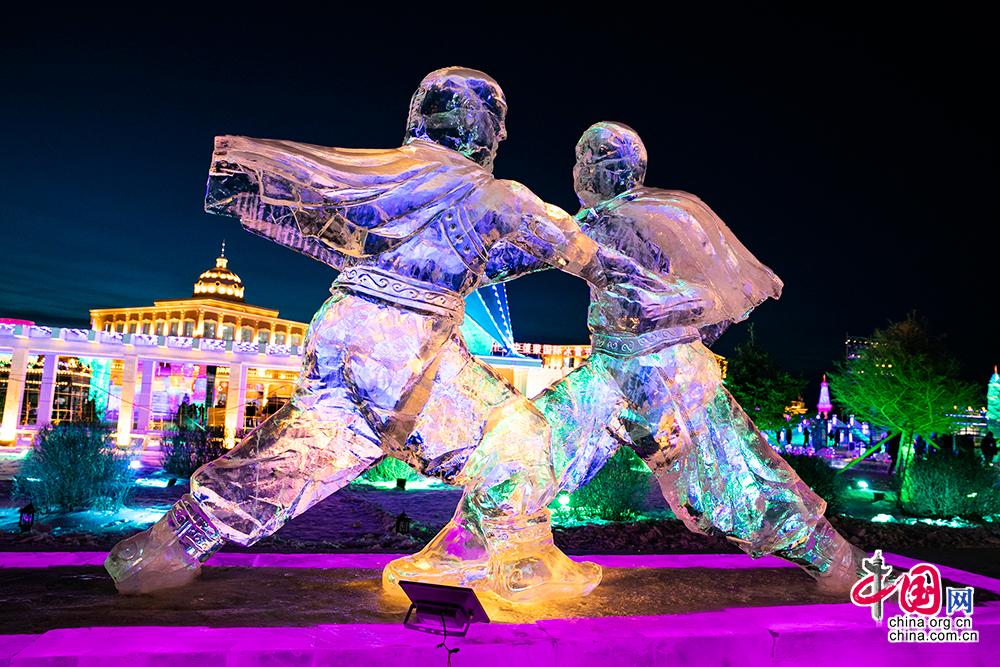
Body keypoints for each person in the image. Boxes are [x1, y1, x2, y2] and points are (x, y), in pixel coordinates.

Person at [104, 70, 675, 602]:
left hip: (344, 323)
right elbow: (579, 251)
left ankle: (166, 545)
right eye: (496, 125)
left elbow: (485, 260)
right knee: (517, 433)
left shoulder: (396, 180)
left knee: (316, 446)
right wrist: (642, 266)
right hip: (409, 336)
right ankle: (509, 561)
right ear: (481, 129)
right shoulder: (498, 196)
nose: (500, 137)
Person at [390, 122, 865, 594]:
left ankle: (840, 563)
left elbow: (733, 289)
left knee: (734, 480)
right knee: (530, 447)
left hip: (669, 377)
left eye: (584, 161)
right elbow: (511, 259)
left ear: (612, 168)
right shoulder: (604, 221)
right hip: (610, 373)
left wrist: (670, 305)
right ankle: (464, 548)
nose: (577, 173)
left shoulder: (670, 213)